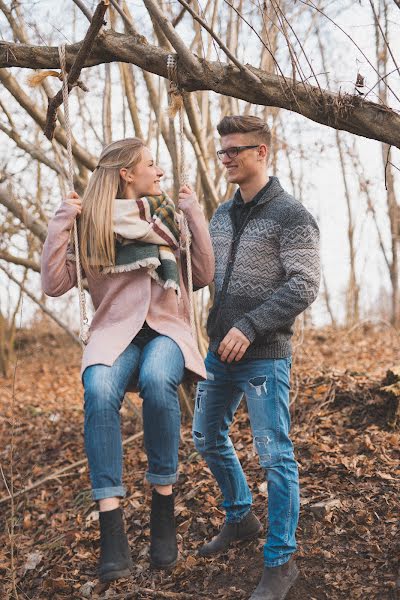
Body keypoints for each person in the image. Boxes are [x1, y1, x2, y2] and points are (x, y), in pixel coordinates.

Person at [41, 138, 214, 582]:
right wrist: (62, 221)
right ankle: (112, 530)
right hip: (113, 335)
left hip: (165, 330)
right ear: (126, 174)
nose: (159, 171)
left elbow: (204, 273)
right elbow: (54, 283)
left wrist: (194, 212)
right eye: (151, 164)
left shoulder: (167, 218)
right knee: (97, 388)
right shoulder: (92, 224)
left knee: (159, 382)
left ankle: (162, 508)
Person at [192, 116, 320, 600]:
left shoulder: (292, 215)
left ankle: (280, 560)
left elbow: (304, 283)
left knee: (275, 456)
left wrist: (249, 326)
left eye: (235, 151)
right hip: (217, 353)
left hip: (264, 355)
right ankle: (240, 517)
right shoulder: (221, 214)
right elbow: (205, 273)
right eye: (221, 151)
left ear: (262, 152)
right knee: (206, 436)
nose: (225, 159)